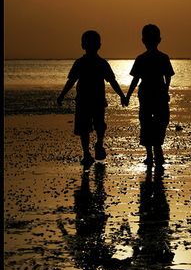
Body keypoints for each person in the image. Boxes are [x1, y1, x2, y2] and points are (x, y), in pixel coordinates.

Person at [57, 30, 126, 168]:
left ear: (83, 45)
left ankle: (96, 145)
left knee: (96, 126)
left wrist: (122, 95)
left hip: (94, 101)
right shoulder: (83, 63)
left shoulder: (100, 63)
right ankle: (87, 152)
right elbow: (71, 81)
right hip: (85, 101)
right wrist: (62, 94)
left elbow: (112, 81)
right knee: (86, 128)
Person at [125, 24, 175, 169]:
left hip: (148, 94)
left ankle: (151, 154)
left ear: (143, 40)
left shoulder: (142, 58)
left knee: (147, 122)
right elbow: (168, 77)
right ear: (159, 39)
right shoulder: (162, 57)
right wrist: (165, 89)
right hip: (156, 94)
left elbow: (135, 79)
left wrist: (127, 96)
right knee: (159, 121)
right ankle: (155, 152)